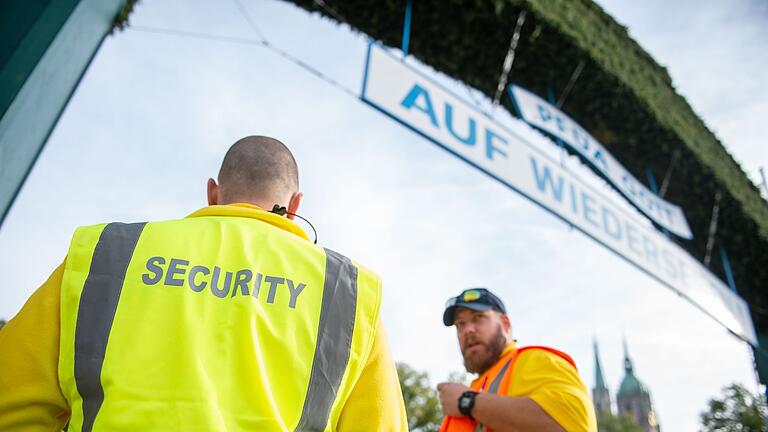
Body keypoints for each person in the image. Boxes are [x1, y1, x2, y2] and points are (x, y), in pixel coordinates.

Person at [0, 136, 407, 431]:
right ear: (296, 206)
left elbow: (11, 402)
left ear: (213, 193)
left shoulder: (105, 252)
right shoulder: (347, 293)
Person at [437, 288, 597, 432]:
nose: (468, 330)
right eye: (460, 324)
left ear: (506, 324)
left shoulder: (535, 360)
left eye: (478, 318)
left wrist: (466, 401)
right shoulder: (478, 386)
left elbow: (574, 425)